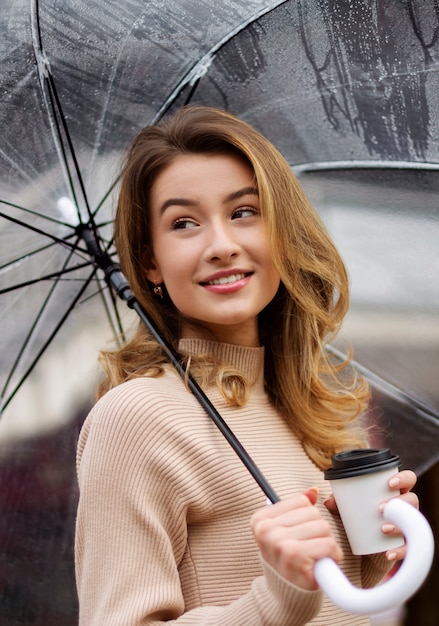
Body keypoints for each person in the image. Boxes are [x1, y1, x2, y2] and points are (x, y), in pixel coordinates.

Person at [75, 106, 418, 625]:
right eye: (184, 223)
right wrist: (273, 601)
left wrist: (370, 545)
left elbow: (333, 598)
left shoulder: (309, 401)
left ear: (281, 229)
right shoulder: (137, 418)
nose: (222, 246)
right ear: (150, 261)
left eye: (243, 212)